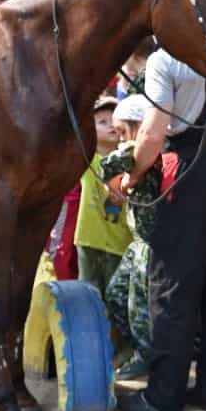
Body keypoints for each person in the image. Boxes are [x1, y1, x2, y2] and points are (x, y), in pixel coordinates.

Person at [113, 48, 206, 411]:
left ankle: (164, 395)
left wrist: (132, 175)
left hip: (183, 166)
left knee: (171, 286)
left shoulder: (165, 60)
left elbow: (153, 132)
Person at [102, 94, 162, 380]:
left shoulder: (149, 153)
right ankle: (144, 350)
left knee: (140, 307)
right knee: (115, 295)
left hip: (150, 246)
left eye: (123, 131)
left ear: (140, 127)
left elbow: (110, 164)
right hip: (137, 244)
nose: (120, 139)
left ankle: (146, 356)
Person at [74, 97, 132, 298]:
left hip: (120, 242)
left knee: (115, 296)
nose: (111, 126)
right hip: (89, 239)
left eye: (114, 120)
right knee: (88, 295)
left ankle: (112, 330)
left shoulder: (130, 160)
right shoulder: (84, 159)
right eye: (102, 122)